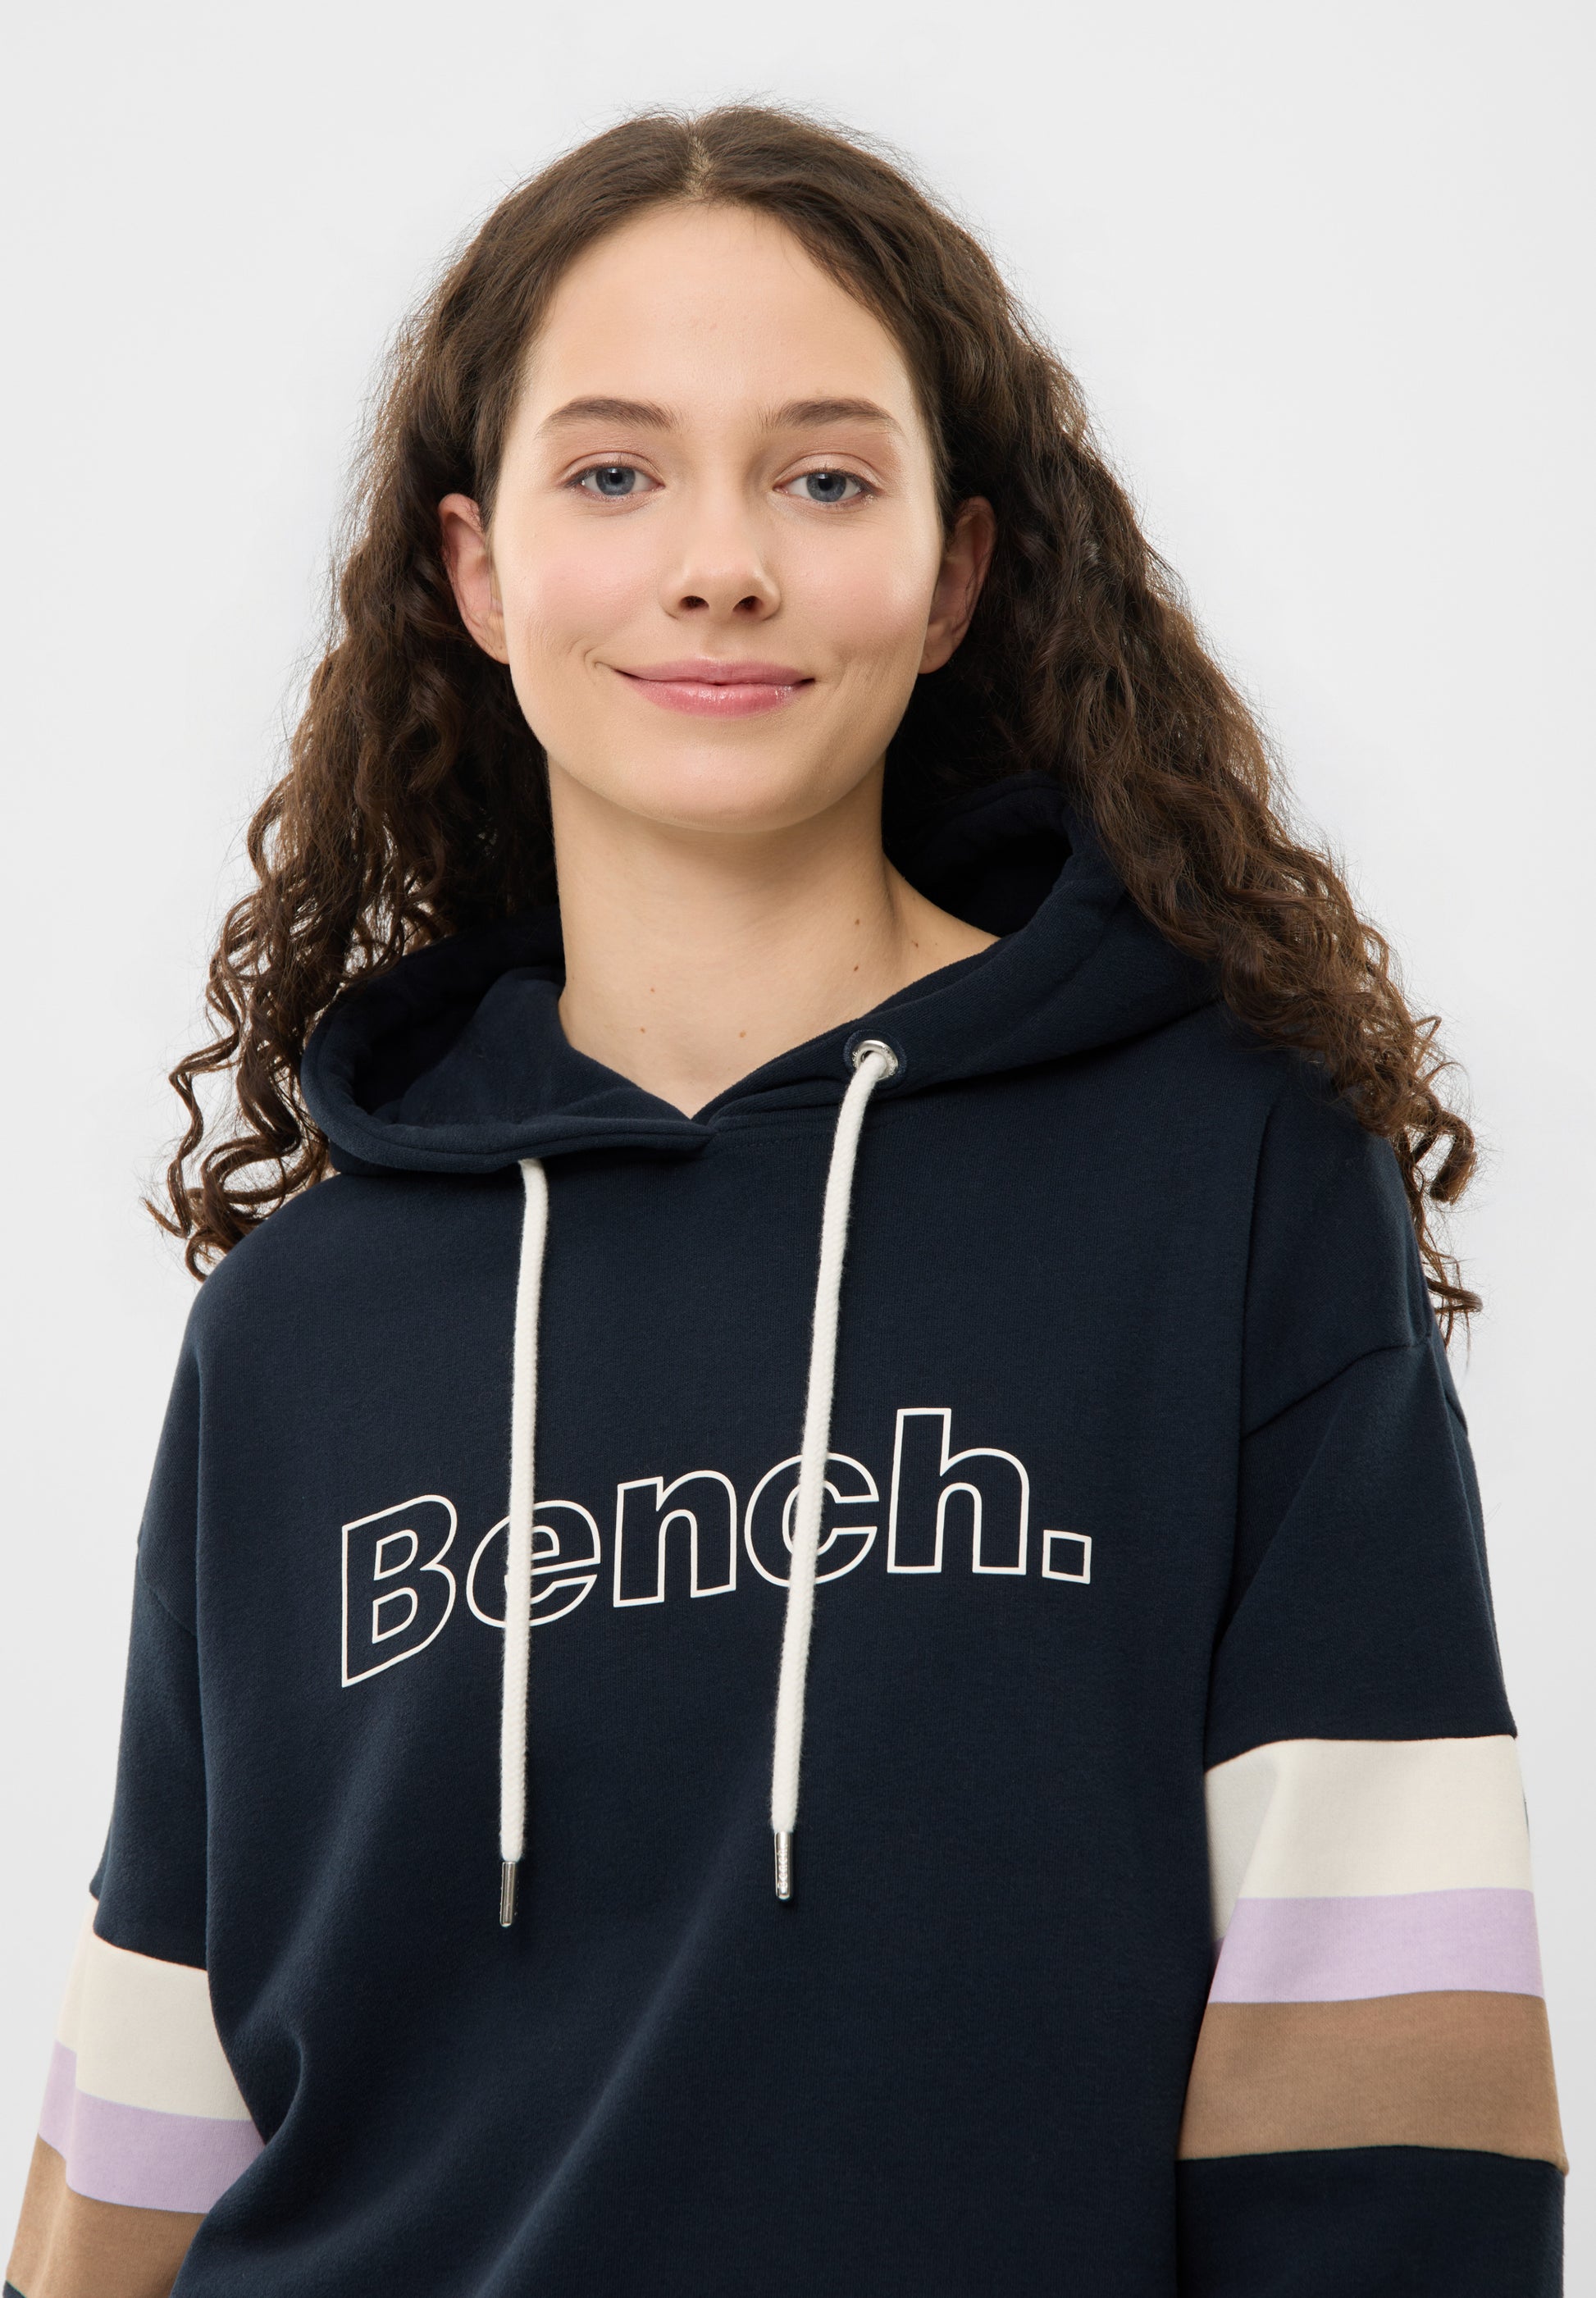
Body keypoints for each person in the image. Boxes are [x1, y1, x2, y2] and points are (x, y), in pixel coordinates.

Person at [6, 103, 1564, 2298]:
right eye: (612, 475)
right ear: (475, 570)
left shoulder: (1220, 1184)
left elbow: (1386, 2055)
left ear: (953, 574)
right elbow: (149, 2124)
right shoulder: (298, 1324)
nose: (719, 562)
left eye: (824, 478)